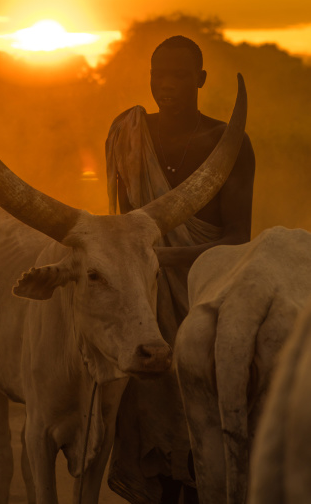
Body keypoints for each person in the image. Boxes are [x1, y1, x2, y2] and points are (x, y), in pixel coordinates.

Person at [105, 35, 255, 504]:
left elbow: (236, 237)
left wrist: (166, 258)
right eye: (158, 73)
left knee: (207, 417)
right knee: (143, 412)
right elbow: (126, 225)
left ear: (202, 80)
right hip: (144, 298)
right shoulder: (128, 133)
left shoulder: (226, 141)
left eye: (179, 75)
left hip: (205, 293)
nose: (165, 84)